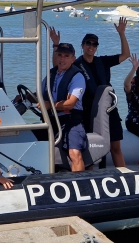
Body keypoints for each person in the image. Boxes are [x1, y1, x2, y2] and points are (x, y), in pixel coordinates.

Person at [49, 18, 130, 166]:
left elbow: (125, 55)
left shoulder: (103, 61)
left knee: (116, 147)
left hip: (108, 109)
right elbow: (58, 66)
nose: (91, 46)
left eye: (94, 44)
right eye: (88, 43)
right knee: (90, 149)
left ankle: (124, 177)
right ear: (83, 45)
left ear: (97, 47)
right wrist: (55, 44)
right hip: (87, 113)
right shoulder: (76, 64)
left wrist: (121, 33)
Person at [42, 43, 87, 172]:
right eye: (60, 55)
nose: (62, 59)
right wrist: (22, 98)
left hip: (71, 120)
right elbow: (39, 92)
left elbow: (71, 103)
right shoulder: (51, 74)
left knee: (75, 153)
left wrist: (49, 105)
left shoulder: (77, 77)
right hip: (52, 120)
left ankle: (80, 185)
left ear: (73, 59)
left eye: (66, 56)